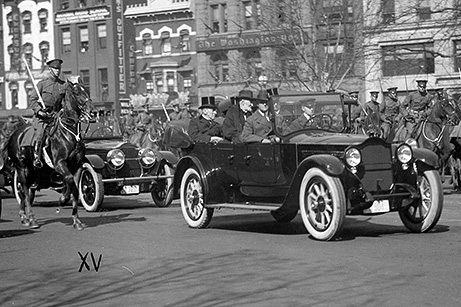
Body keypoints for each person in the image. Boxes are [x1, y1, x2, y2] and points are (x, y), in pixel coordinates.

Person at [29, 58, 66, 168]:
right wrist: (39, 111)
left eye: (59, 69)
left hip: (56, 117)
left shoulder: (63, 85)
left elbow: (65, 102)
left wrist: (63, 110)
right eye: (55, 69)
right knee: (40, 133)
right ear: (50, 70)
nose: (57, 71)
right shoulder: (42, 84)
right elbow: (32, 100)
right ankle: (37, 157)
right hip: (42, 118)